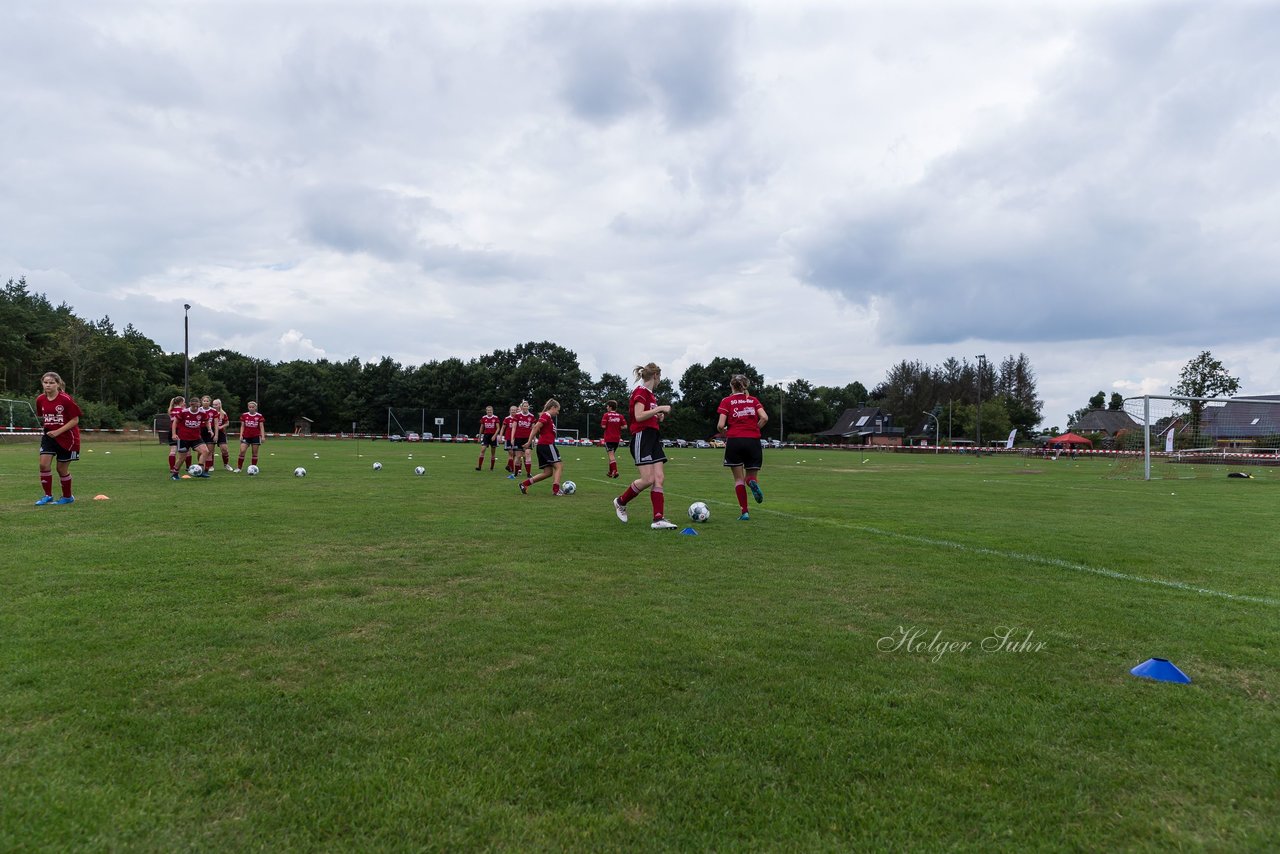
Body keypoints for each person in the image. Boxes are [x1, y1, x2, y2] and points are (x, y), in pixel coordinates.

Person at [612, 362, 678, 529]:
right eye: (660, 377)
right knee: (648, 479)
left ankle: (658, 519)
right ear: (655, 376)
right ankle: (620, 501)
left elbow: (647, 415)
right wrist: (660, 409)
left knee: (659, 478)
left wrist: (657, 416)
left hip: (652, 437)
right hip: (642, 437)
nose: (660, 381)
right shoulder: (641, 391)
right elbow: (639, 416)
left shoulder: (650, 395)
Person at [716, 374, 769, 521]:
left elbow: (720, 425)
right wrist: (755, 428)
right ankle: (751, 482)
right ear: (745, 385)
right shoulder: (753, 400)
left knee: (738, 479)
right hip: (753, 441)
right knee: (751, 476)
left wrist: (726, 432)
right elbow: (764, 417)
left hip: (735, 440)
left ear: (732, 386)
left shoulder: (726, 401)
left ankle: (744, 512)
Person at [35, 371, 82, 505]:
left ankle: (67, 497)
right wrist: (51, 430)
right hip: (49, 437)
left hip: (68, 438)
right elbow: (43, 416)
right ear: (42, 384)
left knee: (61, 469)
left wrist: (58, 431)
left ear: (58, 384)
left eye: (51, 383)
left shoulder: (65, 399)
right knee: (43, 465)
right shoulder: (40, 399)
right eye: (45, 382)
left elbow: (75, 420)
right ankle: (47, 496)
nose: (48, 385)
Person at [519, 399, 565, 495]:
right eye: (558, 410)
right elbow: (536, 427)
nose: (558, 412)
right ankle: (556, 490)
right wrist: (529, 442)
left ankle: (524, 484)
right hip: (547, 445)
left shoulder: (548, 417)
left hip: (543, 446)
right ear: (553, 407)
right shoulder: (546, 415)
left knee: (548, 472)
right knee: (559, 466)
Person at [174, 398, 211, 478]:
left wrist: (210, 430)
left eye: (196, 406)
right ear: (190, 404)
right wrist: (174, 434)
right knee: (182, 458)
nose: (195, 408)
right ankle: (175, 474)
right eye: (193, 406)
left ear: (199, 404)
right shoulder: (184, 412)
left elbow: (207, 421)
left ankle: (200, 471)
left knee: (205, 451)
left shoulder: (202, 413)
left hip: (196, 438)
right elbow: (175, 422)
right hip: (183, 438)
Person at [236, 400, 265, 472]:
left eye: (253, 407)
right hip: (246, 436)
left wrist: (263, 436)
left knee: (254, 453)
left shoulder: (259, 416)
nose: (251, 408)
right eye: (250, 407)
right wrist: (241, 435)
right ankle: (239, 468)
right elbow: (242, 426)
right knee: (242, 451)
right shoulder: (244, 415)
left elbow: (261, 427)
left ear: (255, 408)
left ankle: (253, 468)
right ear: (248, 407)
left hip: (256, 436)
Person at [600, 400, 626, 478]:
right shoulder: (620, 416)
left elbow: (603, 426)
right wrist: (617, 427)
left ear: (610, 407)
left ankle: (615, 470)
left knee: (611, 455)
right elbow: (625, 426)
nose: (606, 407)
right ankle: (610, 472)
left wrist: (610, 425)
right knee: (612, 455)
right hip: (617, 439)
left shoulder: (606, 415)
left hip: (609, 438)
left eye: (607, 406)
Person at [510, 400, 535, 480]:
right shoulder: (517, 416)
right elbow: (514, 428)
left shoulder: (531, 416)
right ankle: (516, 473)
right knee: (518, 456)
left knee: (527, 453)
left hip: (527, 438)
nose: (525, 407)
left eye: (527, 406)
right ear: (521, 407)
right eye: (524, 406)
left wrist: (533, 439)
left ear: (528, 407)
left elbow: (533, 429)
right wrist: (512, 438)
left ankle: (528, 473)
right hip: (518, 438)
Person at [166, 395, 186, 478]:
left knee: (173, 451)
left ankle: (172, 468)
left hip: (171, 431)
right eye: (184, 402)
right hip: (180, 431)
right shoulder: (183, 411)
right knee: (185, 450)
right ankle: (188, 467)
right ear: (181, 402)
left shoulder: (171, 410)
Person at [476, 405, 500, 471]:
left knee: (493, 453)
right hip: (486, 436)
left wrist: (495, 435)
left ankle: (491, 468)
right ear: (486, 411)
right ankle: (479, 467)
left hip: (493, 436)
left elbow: (498, 428)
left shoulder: (495, 418)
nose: (489, 412)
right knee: (483, 450)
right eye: (488, 410)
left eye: (490, 410)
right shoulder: (484, 418)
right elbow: (481, 428)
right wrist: (480, 436)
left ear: (492, 411)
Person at [211, 398, 233, 471]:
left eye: (216, 404)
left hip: (221, 433)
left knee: (224, 450)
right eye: (213, 404)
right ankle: (211, 466)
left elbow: (227, 423)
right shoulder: (210, 412)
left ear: (220, 405)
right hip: (212, 432)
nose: (214, 406)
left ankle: (226, 464)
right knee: (211, 450)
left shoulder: (223, 413)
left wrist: (221, 426)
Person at [502, 405, 518, 475]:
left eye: (514, 410)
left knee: (514, 454)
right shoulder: (507, 418)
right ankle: (511, 468)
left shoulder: (518, 418)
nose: (513, 411)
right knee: (511, 453)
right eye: (512, 410)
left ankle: (510, 467)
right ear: (510, 411)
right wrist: (500, 436)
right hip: (508, 438)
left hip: (516, 438)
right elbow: (503, 427)